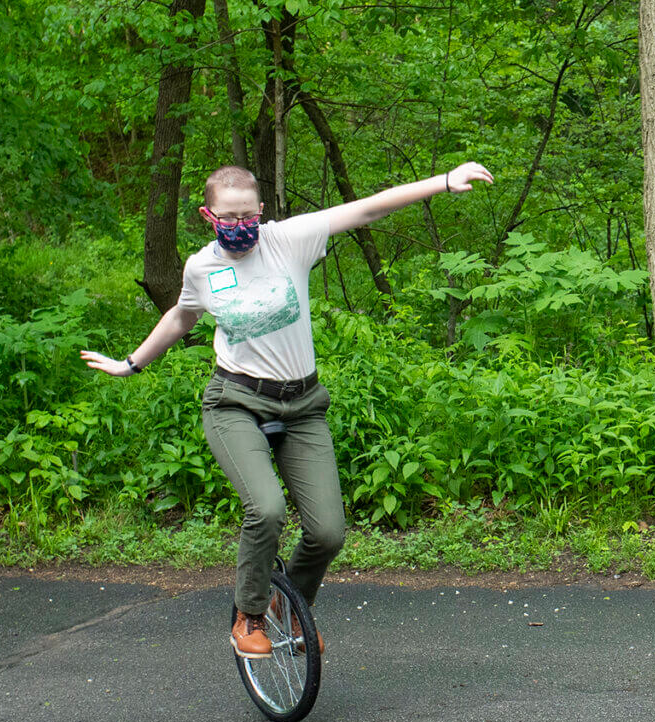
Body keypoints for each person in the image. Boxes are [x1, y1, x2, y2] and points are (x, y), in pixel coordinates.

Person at [81, 161, 493, 658]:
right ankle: (249, 614)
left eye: (246, 215)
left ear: (261, 210)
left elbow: (366, 209)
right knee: (268, 509)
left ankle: (287, 605)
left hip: (301, 405)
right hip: (234, 400)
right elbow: (182, 315)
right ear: (208, 215)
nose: (239, 227)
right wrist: (132, 364)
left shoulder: (289, 239)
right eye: (226, 217)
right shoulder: (202, 267)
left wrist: (444, 182)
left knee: (327, 532)